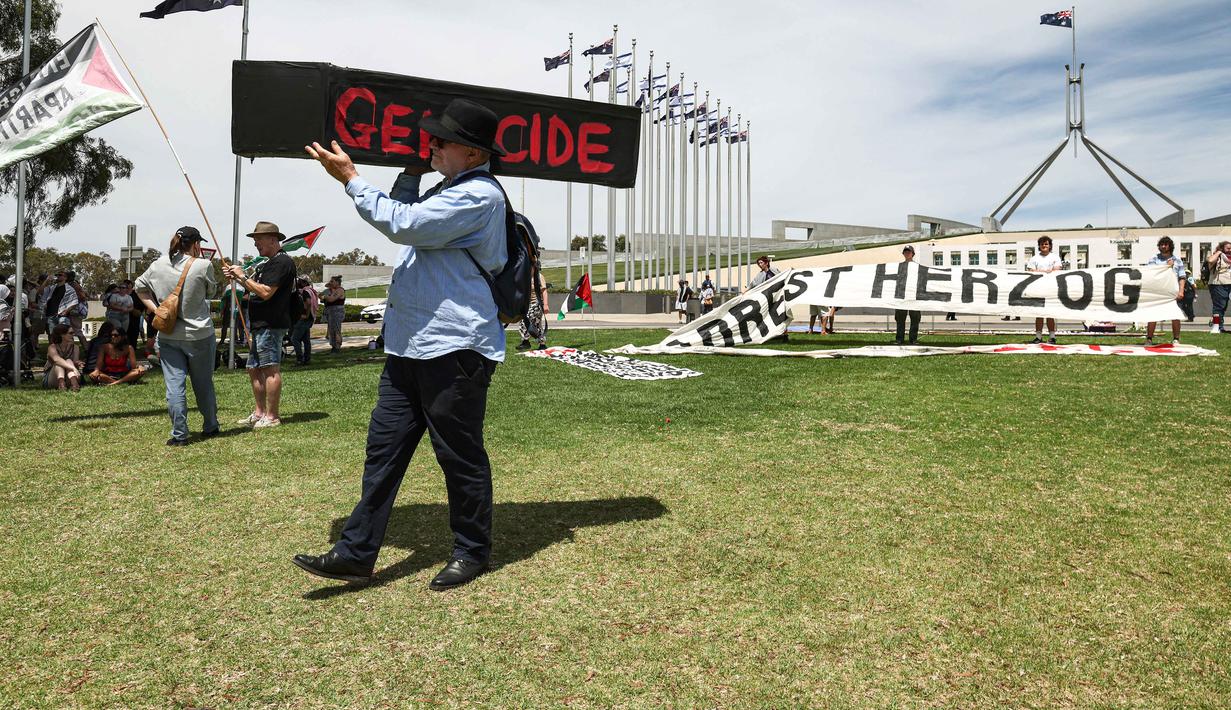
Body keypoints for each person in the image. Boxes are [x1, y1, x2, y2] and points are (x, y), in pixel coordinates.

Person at [297, 97, 508, 590]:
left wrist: (351, 178)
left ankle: (473, 550)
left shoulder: (478, 197)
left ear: (474, 154)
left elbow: (404, 224)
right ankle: (356, 552)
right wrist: (412, 172)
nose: (432, 143)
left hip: (454, 347)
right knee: (383, 453)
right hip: (409, 346)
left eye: (443, 139)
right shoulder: (450, 189)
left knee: (458, 454)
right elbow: (407, 209)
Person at [135, 226, 220, 446]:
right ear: (196, 244)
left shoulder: (158, 264)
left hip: (168, 334)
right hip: (200, 333)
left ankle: (179, 434)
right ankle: (210, 426)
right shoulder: (203, 265)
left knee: (174, 387)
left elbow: (139, 288)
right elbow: (211, 293)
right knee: (203, 384)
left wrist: (157, 310)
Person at [223, 221, 296, 429]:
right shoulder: (267, 263)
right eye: (254, 240)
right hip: (260, 325)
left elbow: (265, 292)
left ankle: (272, 417)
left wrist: (242, 276)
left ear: (273, 239)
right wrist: (239, 279)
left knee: (270, 368)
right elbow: (253, 289)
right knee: (254, 368)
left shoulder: (282, 263)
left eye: (259, 239)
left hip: (271, 324)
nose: (255, 244)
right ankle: (259, 412)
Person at [1145, 235, 1190, 346]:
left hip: (1172, 292)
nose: (1163, 246)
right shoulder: (1154, 259)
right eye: (1161, 244)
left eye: (1166, 244)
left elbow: (1182, 277)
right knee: (1153, 315)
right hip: (1158, 291)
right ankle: (1149, 339)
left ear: (1170, 246)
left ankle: (1176, 339)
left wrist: (1181, 291)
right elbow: (1151, 273)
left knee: (1175, 315)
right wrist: (1167, 266)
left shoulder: (1177, 260)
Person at [1025, 235, 1062, 344]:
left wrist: (1041, 271)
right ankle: (1038, 337)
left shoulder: (1055, 257)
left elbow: (1057, 270)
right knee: (1039, 314)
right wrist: (1047, 271)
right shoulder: (1034, 258)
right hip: (1038, 288)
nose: (1044, 246)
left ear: (1050, 245)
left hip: (1051, 288)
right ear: (1039, 246)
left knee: (1050, 314)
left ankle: (1052, 337)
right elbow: (1031, 271)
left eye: (1046, 244)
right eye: (1042, 244)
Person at [894, 245, 922, 345]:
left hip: (913, 296)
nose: (907, 253)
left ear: (912, 254)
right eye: (905, 251)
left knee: (915, 318)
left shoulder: (918, 266)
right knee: (900, 318)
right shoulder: (899, 266)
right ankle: (899, 339)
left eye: (909, 251)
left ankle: (913, 339)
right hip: (901, 296)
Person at [517, 268, 548, 350]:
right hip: (527, 304)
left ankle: (526, 341)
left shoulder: (539, 277)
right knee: (536, 324)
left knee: (525, 322)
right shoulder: (524, 277)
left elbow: (544, 291)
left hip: (537, 304)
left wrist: (546, 305)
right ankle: (541, 344)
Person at [43, 324, 82, 391]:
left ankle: (74, 383)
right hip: (54, 378)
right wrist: (73, 368)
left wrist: (78, 363)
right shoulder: (52, 347)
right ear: (62, 335)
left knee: (69, 360)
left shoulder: (75, 347)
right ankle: (62, 383)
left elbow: (75, 361)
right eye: (71, 333)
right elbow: (56, 360)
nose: (73, 335)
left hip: (70, 376)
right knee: (59, 363)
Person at [291, 276, 319, 365]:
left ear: (303, 282)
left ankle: (300, 359)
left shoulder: (305, 291)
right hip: (309, 318)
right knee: (306, 340)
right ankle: (307, 359)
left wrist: (306, 314)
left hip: (305, 318)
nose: (298, 282)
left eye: (299, 280)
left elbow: (308, 303)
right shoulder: (311, 290)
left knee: (294, 339)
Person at [1206, 240, 1231, 334]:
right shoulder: (1217, 256)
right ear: (1222, 248)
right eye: (1228, 248)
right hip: (1218, 284)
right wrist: (1219, 252)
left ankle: (1218, 324)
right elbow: (1210, 260)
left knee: (1223, 306)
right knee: (1219, 306)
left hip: (1229, 284)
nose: (1230, 250)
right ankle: (1217, 326)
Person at [218, 281, 248, 347]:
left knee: (235, 325)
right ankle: (226, 340)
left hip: (236, 308)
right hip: (231, 307)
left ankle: (237, 339)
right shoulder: (230, 286)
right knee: (229, 325)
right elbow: (224, 299)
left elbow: (224, 299)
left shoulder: (241, 287)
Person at [321, 275, 346, 353]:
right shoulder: (332, 290)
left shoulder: (340, 290)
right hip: (331, 312)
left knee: (336, 329)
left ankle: (337, 347)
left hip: (337, 312)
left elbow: (331, 299)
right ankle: (333, 346)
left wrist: (325, 296)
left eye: (332, 281)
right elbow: (326, 286)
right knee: (331, 330)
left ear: (337, 282)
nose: (330, 283)